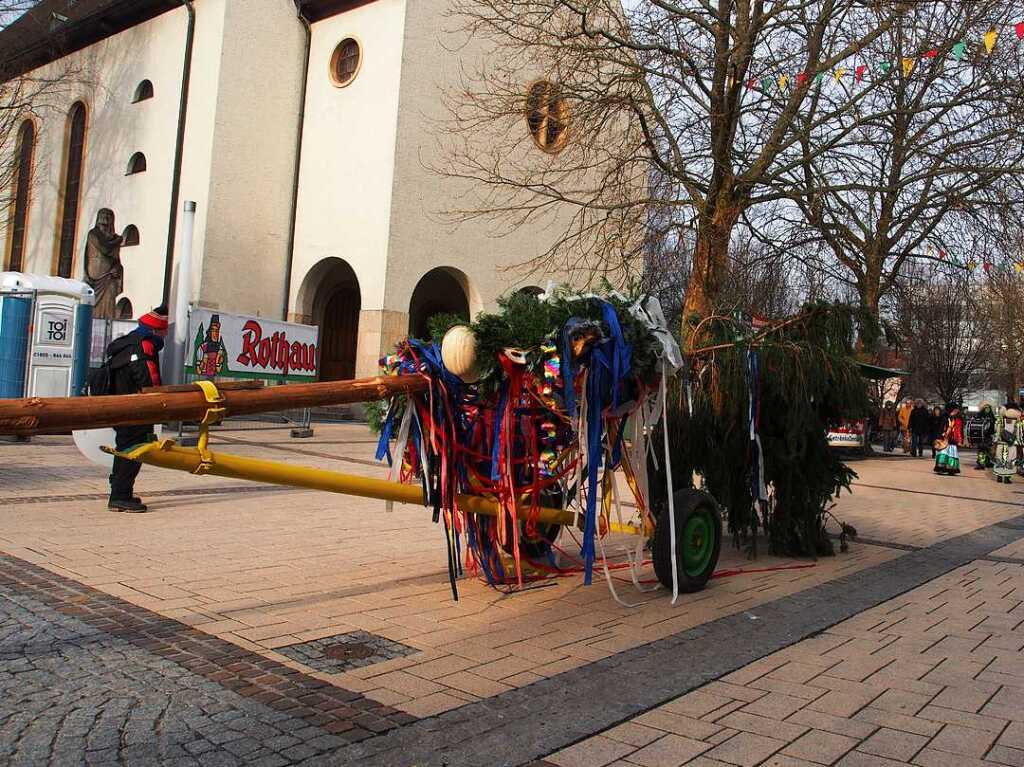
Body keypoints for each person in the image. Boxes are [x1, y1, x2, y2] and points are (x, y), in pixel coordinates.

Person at [105, 305, 167, 512]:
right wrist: (159, 400)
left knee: (124, 447)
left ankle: (120, 491)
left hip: (120, 404)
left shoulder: (127, 342)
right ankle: (120, 496)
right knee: (135, 449)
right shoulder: (144, 345)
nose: (166, 335)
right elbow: (149, 379)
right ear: (156, 330)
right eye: (164, 331)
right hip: (137, 407)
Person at [992, 403, 1022, 484]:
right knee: (1010, 461)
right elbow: (1019, 436)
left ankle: (999, 476)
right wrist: (1020, 443)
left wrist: (995, 443)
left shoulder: (1000, 421)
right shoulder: (1017, 422)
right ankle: (1007, 478)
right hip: (1011, 445)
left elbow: (996, 433)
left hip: (1001, 444)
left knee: (1000, 460)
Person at [934, 403, 964, 475]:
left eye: (957, 409)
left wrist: (960, 439)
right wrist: (941, 435)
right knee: (943, 453)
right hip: (945, 439)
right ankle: (941, 468)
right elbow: (941, 427)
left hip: (953, 440)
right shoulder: (945, 417)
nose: (957, 411)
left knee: (952, 454)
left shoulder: (958, 418)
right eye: (955, 409)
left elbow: (959, 430)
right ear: (952, 409)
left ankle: (951, 468)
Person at [973, 403, 996, 470]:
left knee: (987, 450)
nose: (987, 409)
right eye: (986, 408)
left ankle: (987, 462)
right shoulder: (979, 415)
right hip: (981, 435)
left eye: (988, 408)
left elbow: (993, 427)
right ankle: (981, 463)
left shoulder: (992, 417)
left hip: (988, 436)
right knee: (981, 449)